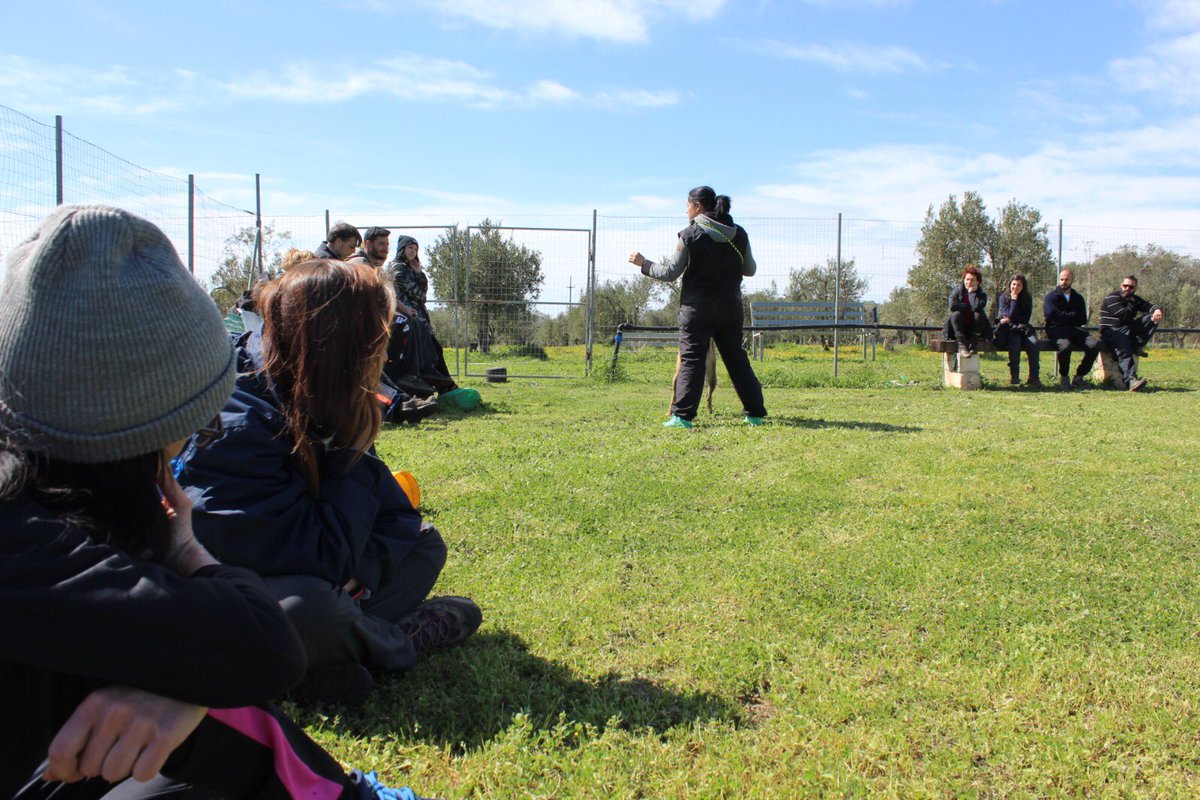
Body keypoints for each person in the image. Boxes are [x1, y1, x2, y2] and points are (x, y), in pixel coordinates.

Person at [0, 205, 434, 800]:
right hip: (279, 595)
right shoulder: (47, 551)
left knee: (411, 553)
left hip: (285, 592)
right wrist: (185, 565)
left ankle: (361, 632)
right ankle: (394, 640)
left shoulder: (56, 508)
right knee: (300, 620)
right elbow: (260, 636)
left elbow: (396, 522)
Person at [176, 260, 481, 707]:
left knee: (424, 544)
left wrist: (364, 577)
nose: (384, 349)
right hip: (241, 600)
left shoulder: (328, 394)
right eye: (378, 336)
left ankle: (318, 659)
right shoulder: (236, 422)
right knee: (308, 608)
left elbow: (395, 514)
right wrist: (348, 454)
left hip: (329, 571)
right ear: (340, 343)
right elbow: (313, 559)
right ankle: (396, 644)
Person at [628, 186, 767, 428]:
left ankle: (682, 417)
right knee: (737, 361)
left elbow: (670, 273)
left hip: (697, 311)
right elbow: (750, 270)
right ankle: (754, 414)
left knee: (692, 361)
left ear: (698, 207)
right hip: (730, 310)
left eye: (687, 206)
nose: (686, 210)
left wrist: (644, 263)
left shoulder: (690, 235)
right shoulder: (739, 234)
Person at [386, 235, 480, 409]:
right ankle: (442, 387)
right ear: (401, 249)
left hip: (419, 318)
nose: (413, 252)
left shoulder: (410, 268)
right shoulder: (397, 268)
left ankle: (445, 386)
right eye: (410, 248)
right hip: (408, 319)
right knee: (428, 352)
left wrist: (419, 274)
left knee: (434, 350)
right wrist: (418, 274)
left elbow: (423, 293)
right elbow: (418, 294)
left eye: (415, 249)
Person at [1098, 274, 1164, 392]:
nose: (1127, 289)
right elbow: (1122, 314)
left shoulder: (1134, 299)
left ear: (1135, 289)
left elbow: (1148, 306)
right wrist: (1132, 304)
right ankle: (1131, 380)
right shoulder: (1112, 298)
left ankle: (1137, 344)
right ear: (1121, 285)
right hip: (1111, 330)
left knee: (1152, 317)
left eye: (1131, 287)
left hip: (1127, 329)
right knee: (1124, 349)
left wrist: (1157, 310)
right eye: (1125, 286)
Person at [1043, 268, 1100, 388]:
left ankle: (1079, 377)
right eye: (1061, 279)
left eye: (1066, 279)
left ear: (1072, 280)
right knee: (1065, 346)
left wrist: (1062, 316)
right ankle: (1064, 377)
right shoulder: (1051, 297)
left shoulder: (1078, 298)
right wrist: (1072, 315)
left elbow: (1082, 319)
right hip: (1056, 330)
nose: (1064, 282)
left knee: (1094, 345)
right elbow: (1051, 315)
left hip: (1074, 330)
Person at [994, 273, 1041, 387]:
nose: (1015, 287)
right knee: (1015, 343)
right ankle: (1015, 377)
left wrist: (1011, 318)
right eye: (1013, 284)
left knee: (1034, 344)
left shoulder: (1027, 298)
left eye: (1018, 285)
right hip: (1010, 330)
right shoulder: (1003, 298)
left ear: (1023, 287)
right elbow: (1006, 315)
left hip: (1024, 328)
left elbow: (1025, 317)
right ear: (1010, 285)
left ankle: (1033, 377)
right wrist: (1014, 301)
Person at [941, 265, 992, 354]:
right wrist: (967, 307)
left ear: (978, 282)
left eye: (972, 280)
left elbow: (977, 307)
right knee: (956, 314)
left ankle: (973, 344)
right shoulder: (957, 291)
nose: (969, 282)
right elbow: (952, 306)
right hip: (958, 330)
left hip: (974, 330)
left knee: (978, 314)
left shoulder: (982, 294)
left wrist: (971, 293)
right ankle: (962, 346)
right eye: (967, 279)